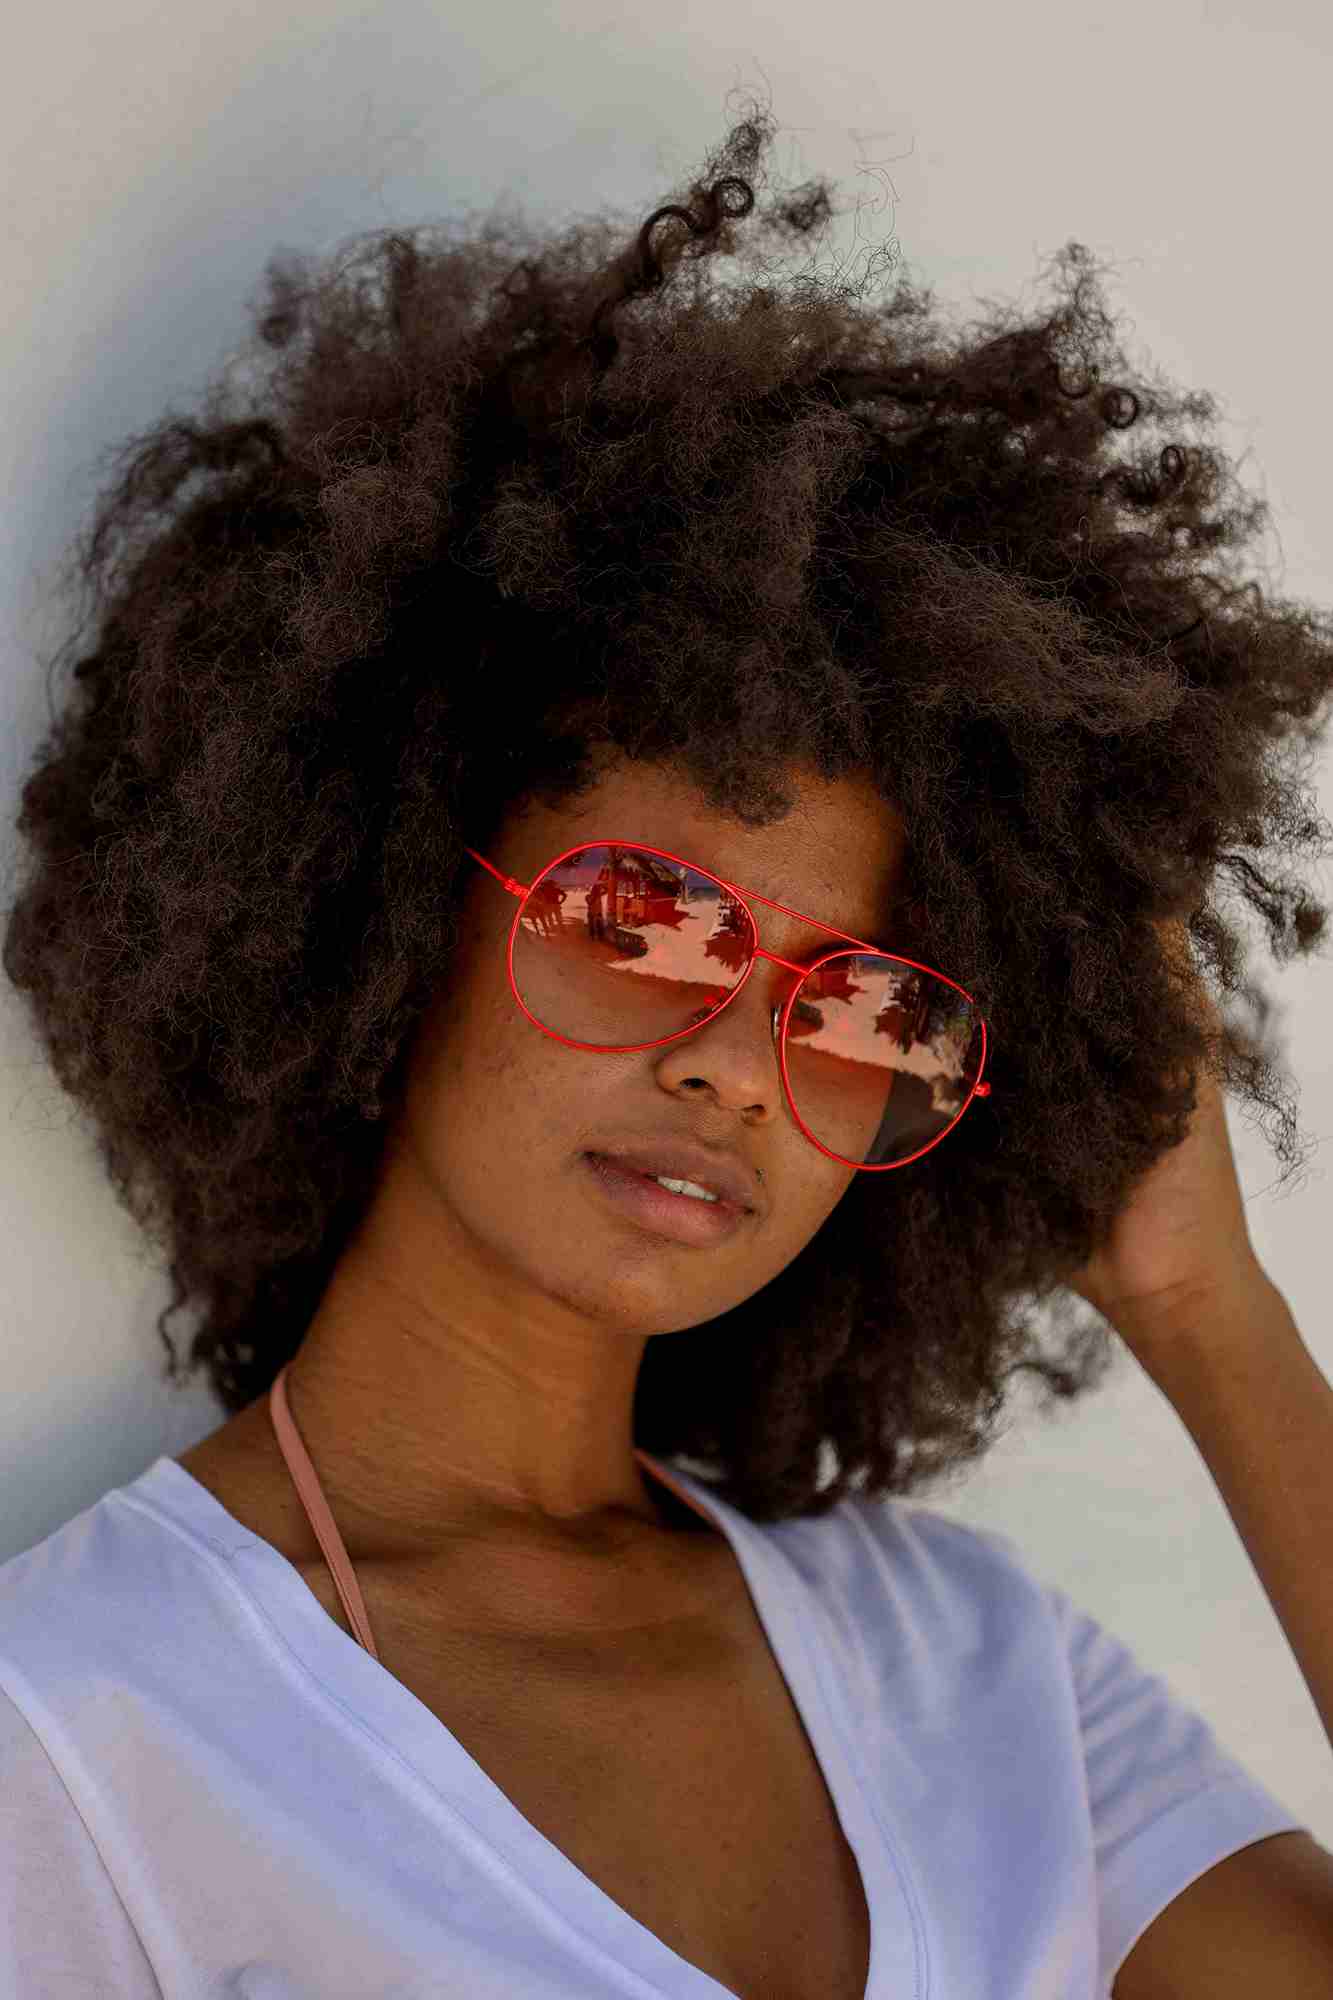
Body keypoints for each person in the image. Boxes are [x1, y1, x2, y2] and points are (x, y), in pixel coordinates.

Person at [2, 103, 1330, 2000]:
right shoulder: (77, 1738)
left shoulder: (967, 1667)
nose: (733, 1065)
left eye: (854, 1004)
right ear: (382, 906)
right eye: (641, 924)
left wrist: (1211, 1309)